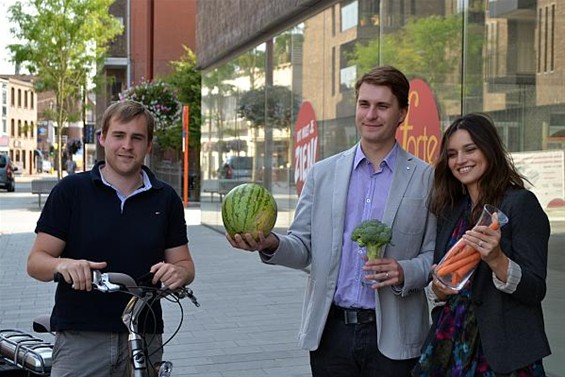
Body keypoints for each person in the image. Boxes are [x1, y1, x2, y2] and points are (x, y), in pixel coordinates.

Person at [227, 65, 436, 376]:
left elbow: (434, 257)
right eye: (364, 104)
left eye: (382, 106)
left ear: (402, 113)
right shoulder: (323, 174)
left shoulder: (426, 178)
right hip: (331, 333)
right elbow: (302, 246)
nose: (371, 115)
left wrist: (403, 271)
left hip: (395, 336)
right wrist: (270, 244)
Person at [27, 100, 196, 377]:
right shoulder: (71, 191)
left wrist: (178, 272)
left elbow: (186, 265)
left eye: (137, 138)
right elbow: (36, 262)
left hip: (144, 335)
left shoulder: (166, 199)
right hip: (81, 336)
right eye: (119, 135)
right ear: (103, 138)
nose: (127, 145)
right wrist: (63, 265)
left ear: (149, 145)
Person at [414, 113, 551, 376]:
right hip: (451, 343)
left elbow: (535, 289)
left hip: (503, 352)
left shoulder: (520, 204)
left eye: (470, 149)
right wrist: (439, 288)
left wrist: (497, 260)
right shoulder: (451, 209)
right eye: (452, 154)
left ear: (489, 150)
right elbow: (441, 283)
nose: (460, 160)